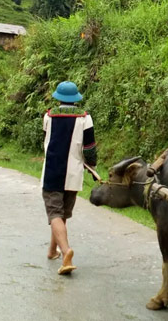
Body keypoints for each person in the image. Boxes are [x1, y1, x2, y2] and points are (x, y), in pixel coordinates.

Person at [41, 81, 97, 275]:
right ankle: (51, 251)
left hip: (51, 172)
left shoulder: (48, 116)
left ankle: (65, 252)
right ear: (76, 100)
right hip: (73, 174)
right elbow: (89, 148)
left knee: (55, 213)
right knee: (61, 214)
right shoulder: (85, 118)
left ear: (58, 98)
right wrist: (93, 166)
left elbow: (45, 141)